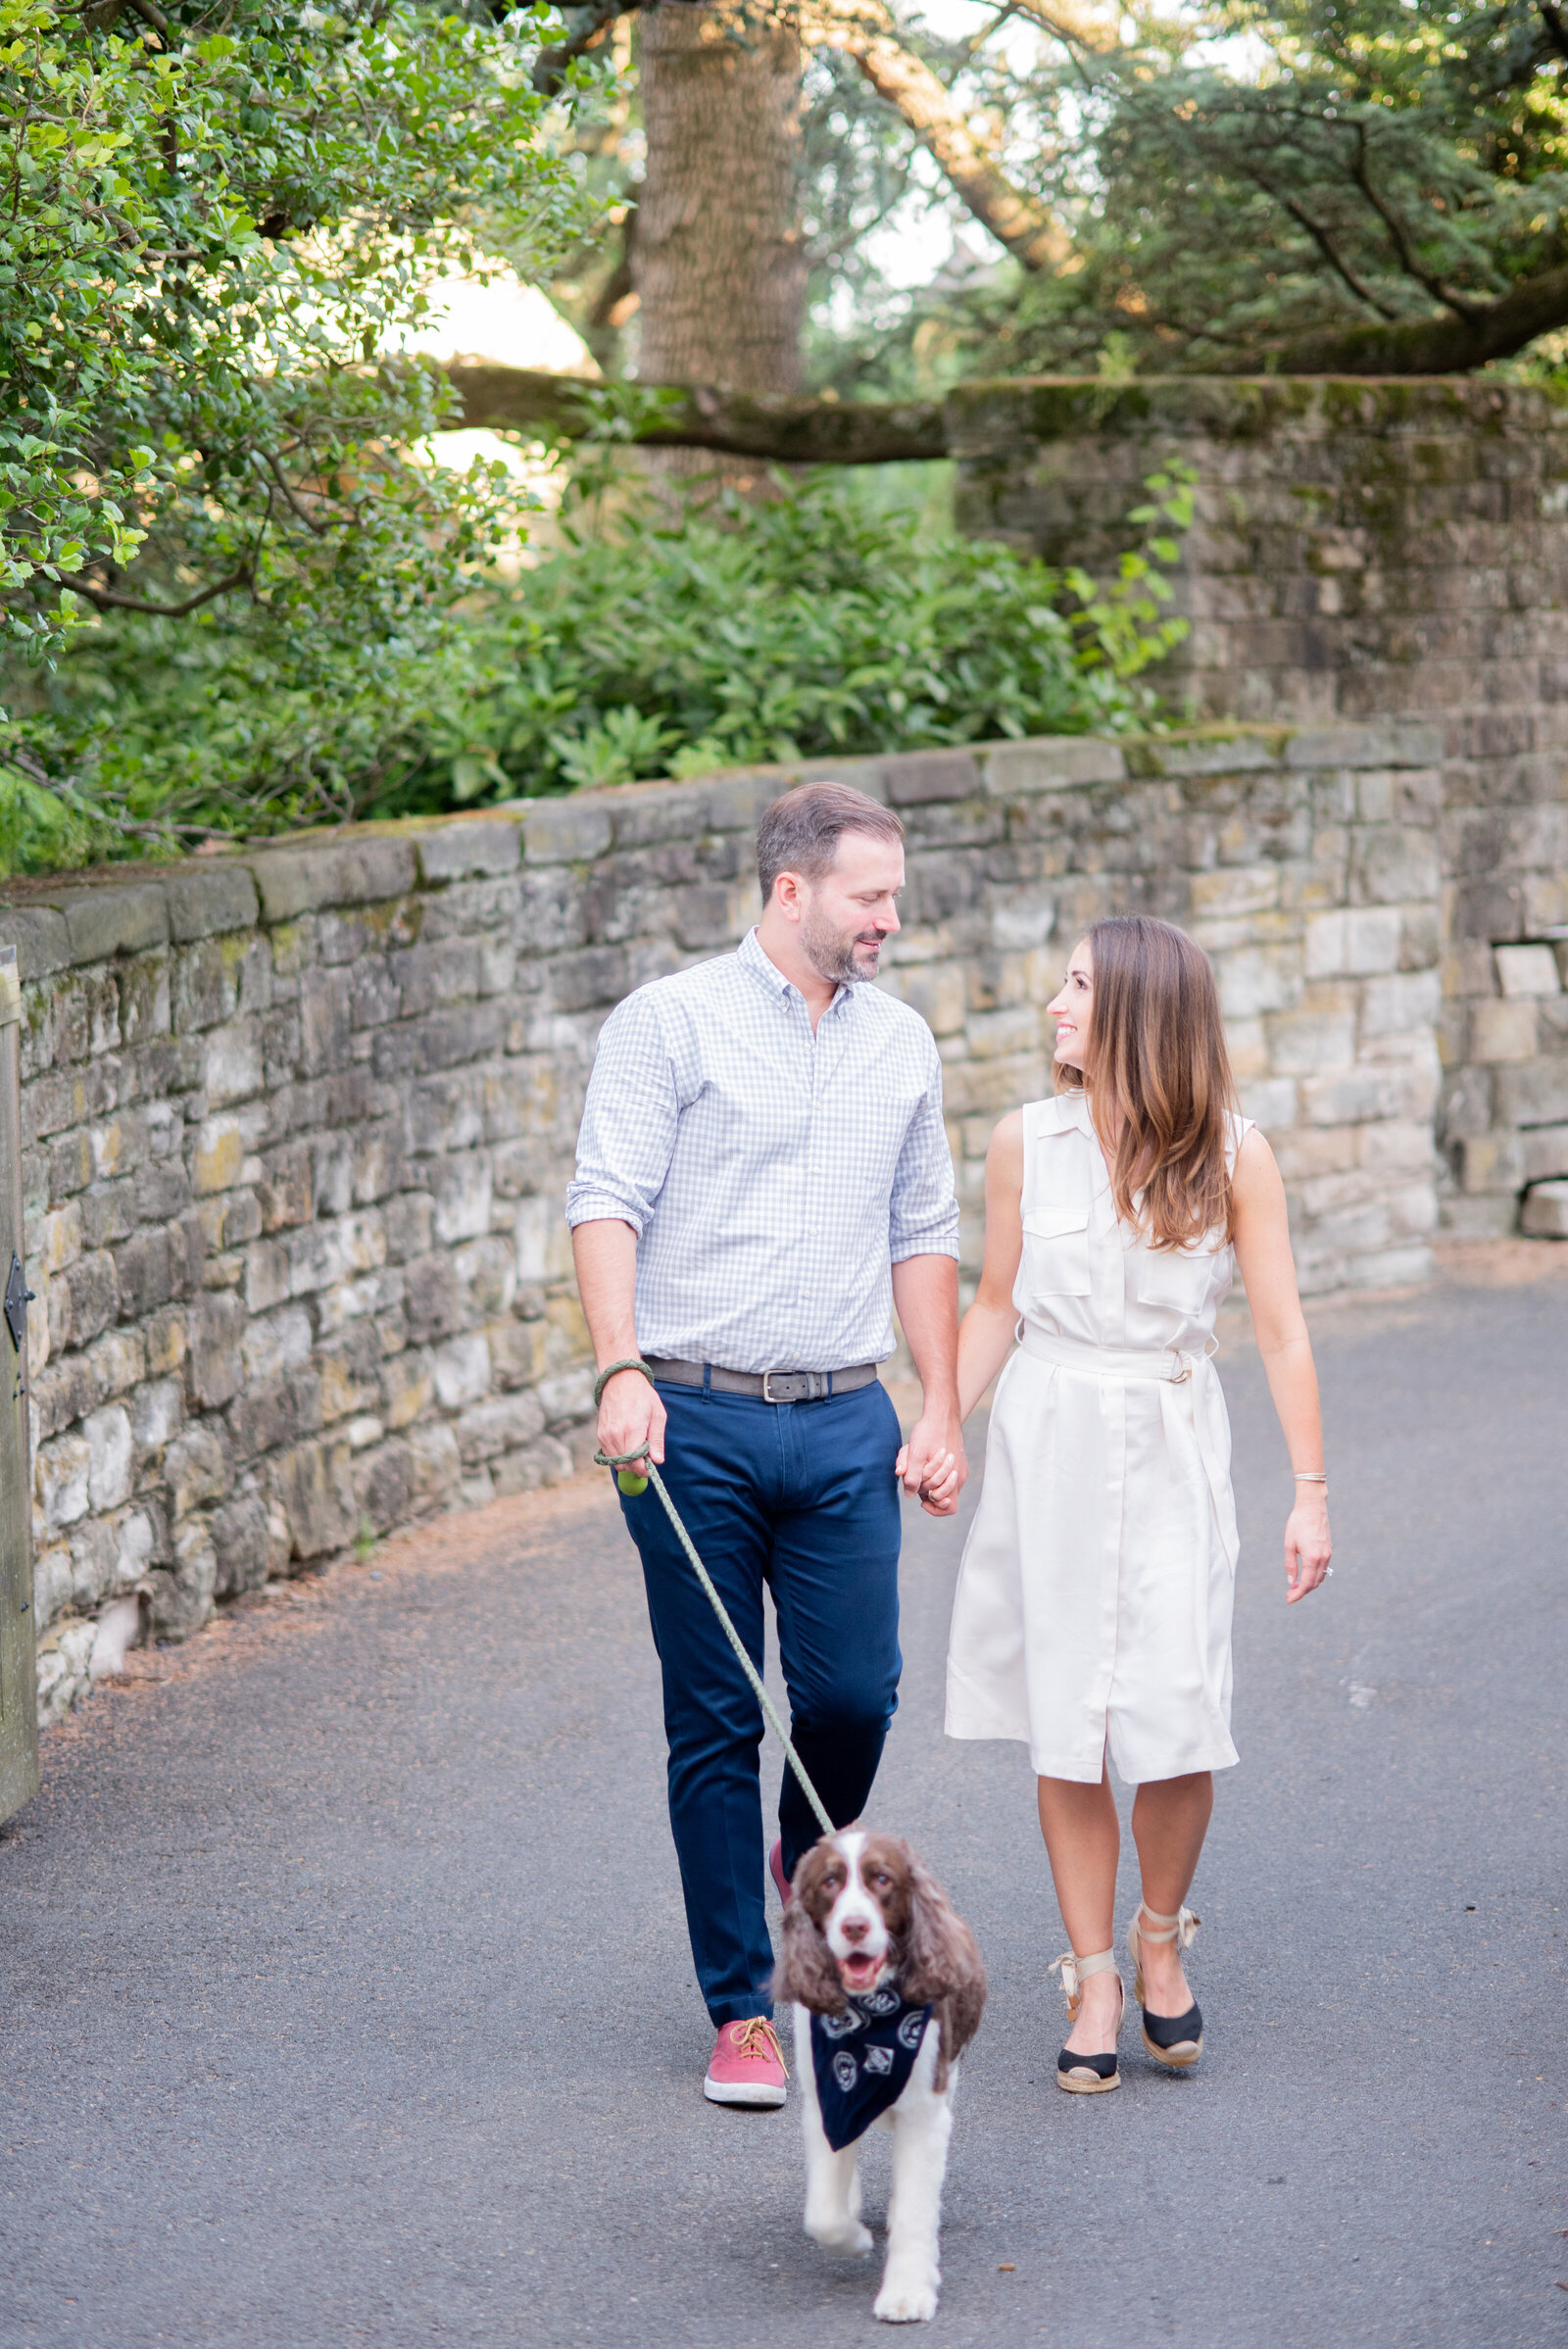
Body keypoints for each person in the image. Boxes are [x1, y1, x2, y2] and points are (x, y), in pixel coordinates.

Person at [566, 781, 966, 2112]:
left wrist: (942, 1404)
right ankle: (743, 2004)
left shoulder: (901, 1044)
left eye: (894, 897)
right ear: (791, 891)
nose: (889, 921)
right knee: (719, 1713)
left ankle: (811, 1878)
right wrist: (621, 1367)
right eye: (870, 896)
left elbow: (924, 1234)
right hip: (691, 1419)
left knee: (856, 1694)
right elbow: (606, 1201)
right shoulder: (668, 1023)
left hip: (849, 1414)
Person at [927, 914, 1332, 2092]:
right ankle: (1094, 1973)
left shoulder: (1233, 1154)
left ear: (1142, 1015)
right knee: (1068, 1717)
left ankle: (1162, 1937)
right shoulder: (1023, 1143)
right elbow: (997, 1300)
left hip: (1168, 1441)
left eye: (1078, 986)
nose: (1055, 1005)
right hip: (1048, 1439)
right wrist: (942, 1415)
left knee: (1174, 1711)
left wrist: (1311, 1492)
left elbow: (1282, 1329)